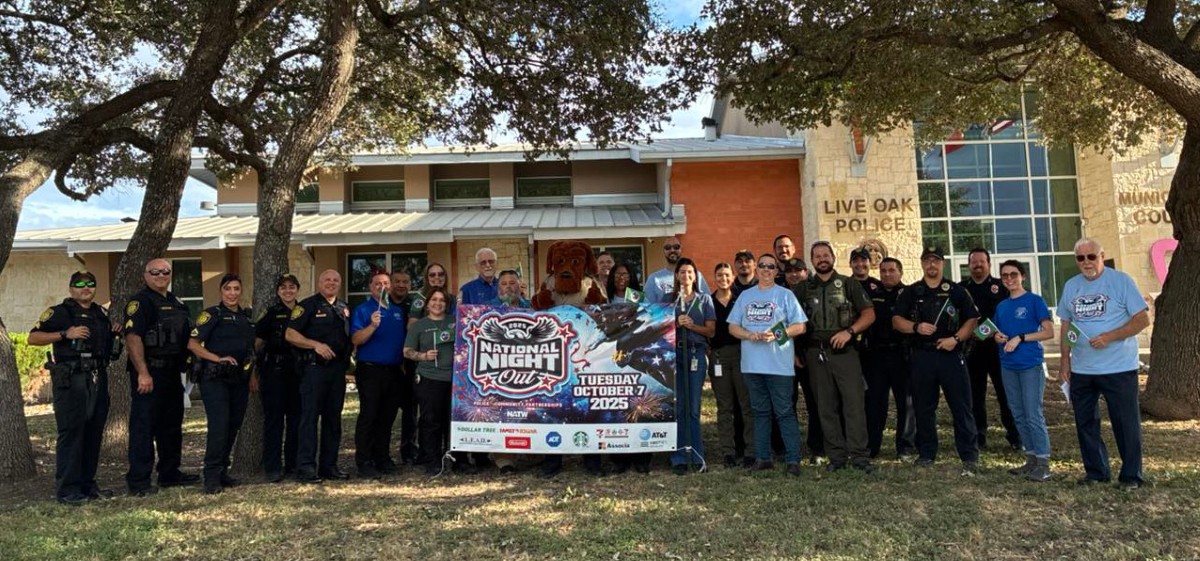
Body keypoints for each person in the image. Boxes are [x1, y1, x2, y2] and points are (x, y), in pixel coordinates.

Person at [1058, 238, 1150, 489]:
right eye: (1080, 258)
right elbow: (1066, 325)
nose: (1086, 262)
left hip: (1118, 368)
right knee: (1085, 422)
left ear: (1102, 255)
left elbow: (1142, 320)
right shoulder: (1071, 286)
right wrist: (1064, 362)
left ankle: (1131, 475)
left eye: (1091, 256)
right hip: (1082, 369)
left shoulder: (1121, 281)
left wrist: (1110, 336)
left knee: (1125, 423)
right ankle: (1096, 471)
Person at [29, 270, 116, 505]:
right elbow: (33, 338)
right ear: (71, 288)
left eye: (90, 284)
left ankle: (87, 485)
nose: (85, 288)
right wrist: (65, 333)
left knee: (93, 432)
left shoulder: (100, 313)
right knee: (72, 432)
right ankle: (68, 489)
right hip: (71, 377)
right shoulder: (59, 312)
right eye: (79, 284)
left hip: (97, 375)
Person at [893, 247, 981, 475]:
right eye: (928, 261)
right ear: (922, 264)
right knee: (924, 407)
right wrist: (915, 327)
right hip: (922, 356)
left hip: (951, 355)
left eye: (936, 261)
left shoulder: (956, 291)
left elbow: (972, 320)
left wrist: (955, 338)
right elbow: (896, 321)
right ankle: (927, 453)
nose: (932, 265)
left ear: (942, 264)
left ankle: (969, 455)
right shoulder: (911, 292)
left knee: (961, 407)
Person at [793, 242, 876, 473]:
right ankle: (836, 457)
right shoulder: (802, 288)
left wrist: (849, 332)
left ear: (833, 257)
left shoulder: (849, 284)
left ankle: (859, 456)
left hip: (844, 353)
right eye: (817, 256)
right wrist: (793, 351)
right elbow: (789, 319)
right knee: (825, 407)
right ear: (812, 260)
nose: (822, 259)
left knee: (854, 404)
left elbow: (869, 314)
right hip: (814, 352)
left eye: (825, 255)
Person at [727, 253, 808, 476]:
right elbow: (732, 327)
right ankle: (763, 458)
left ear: (775, 271)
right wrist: (748, 335)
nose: (766, 269)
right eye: (762, 266)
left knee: (784, 412)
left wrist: (776, 334)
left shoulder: (785, 295)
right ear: (757, 269)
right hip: (752, 365)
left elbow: (800, 326)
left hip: (779, 366)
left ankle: (793, 459)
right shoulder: (745, 296)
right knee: (760, 412)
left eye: (770, 266)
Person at [124, 258, 198, 496]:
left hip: (172, 372)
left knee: (171, 426)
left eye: (165, 271)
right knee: (144, 427)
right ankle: (139, 481)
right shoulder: (141, 301)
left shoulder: (176, 302)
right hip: (150, 372)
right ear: (146, 275)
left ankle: (169, 474)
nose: (161, 276)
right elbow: (133, 337)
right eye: (155, 272)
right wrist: (143, 372)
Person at [187, 273, 255, 494]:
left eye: (236, 289)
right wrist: (218, 358)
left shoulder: (246, 317)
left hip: (239, 380)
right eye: (228, 289)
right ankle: (211, 477)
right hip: (215, 379)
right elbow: (193, 344)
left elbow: (250, 350)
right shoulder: (211, 314)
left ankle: (223, 472)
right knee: (219, 427)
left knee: (233, 426)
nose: (232, 293)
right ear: (221, 291)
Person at [285, 269, 352, 484]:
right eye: (327, 279)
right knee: (309, 419)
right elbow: (290, 334)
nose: (331, 283)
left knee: (333, 420)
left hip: (337, 372)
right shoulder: (306, 306)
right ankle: (306, 468)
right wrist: (315, 345)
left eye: (335, 280)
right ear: (319, 283)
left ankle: (329, 466)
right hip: (314, 370)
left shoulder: (343, 308)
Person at [991, 260, 1054, 481]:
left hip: (1030, 365)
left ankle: (1044, 464)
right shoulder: (1002, 306)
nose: (1009, 279)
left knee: (1032, 413)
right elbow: (996, 332)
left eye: (1013, 274)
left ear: (1023, 276)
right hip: (1008, 366)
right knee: (1017, 413)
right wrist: (996, 337)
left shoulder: (1034, 301)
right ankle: (1031, 459)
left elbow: (1048, 332)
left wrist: (1022, 338)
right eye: (1005, 275)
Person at [404, 288, 476, 476]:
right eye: (434, 300)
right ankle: (433, 460)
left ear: (447, 304)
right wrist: (423, 355)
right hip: (429, 379)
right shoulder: (419, 326)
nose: (438, 303)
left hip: (455, 380)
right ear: (427, 304)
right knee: (431, 421)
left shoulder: (456, 322)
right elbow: (407, 351)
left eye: (442, 300)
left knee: (455, 421)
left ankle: (459, 459)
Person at [350, 271, 408, 478]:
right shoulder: (363, 310)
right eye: (377, 283)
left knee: (387, 416)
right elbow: (356, 339)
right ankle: (364, 461)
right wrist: (372, 325)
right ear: (370, 286)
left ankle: (382, 457)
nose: (382, 286)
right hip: (370, 370)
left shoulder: (397, 311)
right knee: (369, 415)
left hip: (394, 371)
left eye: (385, 283)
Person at [960, 248, 1020, 451]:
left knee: (1006, 394)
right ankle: (979, 436)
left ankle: (1015, 436)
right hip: (973, 350)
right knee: (975, 396)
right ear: (969, 265)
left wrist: (990, 332)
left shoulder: (1000, 287)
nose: (978, 265)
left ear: (989, 264)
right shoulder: (962, 289)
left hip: (998, 349)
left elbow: (1008, 314)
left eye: (981, 261)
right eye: (974, 262)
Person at [864, 257, 916, 458]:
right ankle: (872, 446)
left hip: (902, 354)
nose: (887, 274)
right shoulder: (873, 295)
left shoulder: (909, 294)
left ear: (900, 273)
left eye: (891, 270)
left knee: (906, 402)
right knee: (875, 403)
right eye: (883, 271)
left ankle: (905, 447)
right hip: (877, 356)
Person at [606, 263, 654, 475]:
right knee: (617, 408)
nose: (621, 278)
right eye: (617, 274)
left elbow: (651, 318)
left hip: (637, 355)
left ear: (631, 277)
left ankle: (642, 456)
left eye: (624, 274)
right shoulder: (605, 298)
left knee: (638, 405)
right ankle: (619, 458)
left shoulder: (639, 297)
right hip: (611, 358)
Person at [254, 273, 302, 483]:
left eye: (292, 287)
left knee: (296, 420)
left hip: (298, 372)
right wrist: (255, 371)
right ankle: (273, 467)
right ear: (277, 291)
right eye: (283, 287)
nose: (288, 291)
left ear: (297, 290)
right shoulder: (271, 314)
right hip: (275, 371)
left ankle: (293, 464)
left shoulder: (304, 311)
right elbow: (257, 343)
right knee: (274, 421)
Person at [671, 258, 716, 475]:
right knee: (679, 408)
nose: (686, 275)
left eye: (690, 272)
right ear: (677, 275)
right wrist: (675, 324)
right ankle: (679, 456)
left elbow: (711, 331)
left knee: (694, 408)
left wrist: (693, 326)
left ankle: (697, 455)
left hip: (696, 353)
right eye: (682, 272)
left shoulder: (704, 299)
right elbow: (660, 328)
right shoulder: (670, 301)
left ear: (695, 276)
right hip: (675, 355)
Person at [709, 262, 755, 468]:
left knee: (746, 405)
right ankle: (728, 451)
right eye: (719, 275)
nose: (723, 279)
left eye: (727, 275)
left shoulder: (742, 299)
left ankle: (750, 450)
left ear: (732, 276)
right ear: (714, 277)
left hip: (741, 354)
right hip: (718, 357)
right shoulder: (708, 302)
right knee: (724, 406)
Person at [487, 270, 532, 475]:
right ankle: (504, 459)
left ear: (519, 285)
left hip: (529, 367)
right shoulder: (487, 308)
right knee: (502, 411)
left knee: (529, 409)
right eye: (503, 283)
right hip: (499, 368)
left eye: (512, 283)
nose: (508, 287)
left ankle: (534, 453)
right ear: (498, 288)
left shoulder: (532, 307)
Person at [388, 270, 420, 466]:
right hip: (388, 364)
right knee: (387, 410)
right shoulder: (383, 304)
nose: (401, 285)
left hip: (410, 363)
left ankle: (409, 451)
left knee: (410, 411)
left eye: (405, 281)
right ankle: (380, 451)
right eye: (397, 281)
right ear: (391, 284)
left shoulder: (414, 304)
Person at [644, 236, 709, 303]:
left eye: (676, 247)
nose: (672, 250)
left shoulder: (695, 275)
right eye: (668, 247)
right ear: (664, 251)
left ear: (681, 249)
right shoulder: (653, 279)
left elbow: (707, 303)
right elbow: (647, 308)